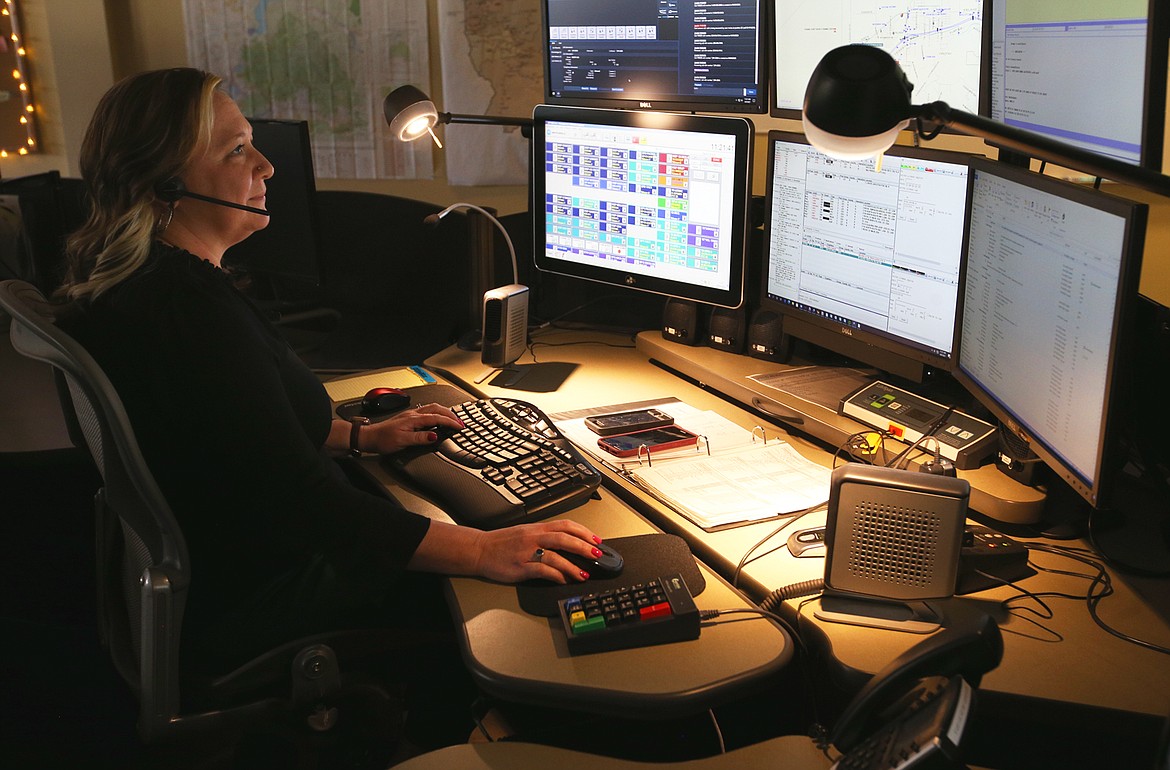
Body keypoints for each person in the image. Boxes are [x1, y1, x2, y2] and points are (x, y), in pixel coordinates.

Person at [55, 68, 604, 740]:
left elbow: (238, 431)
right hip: (254, 591)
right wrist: (483, 551)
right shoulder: (188, 314)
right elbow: (307, 507)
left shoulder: (161, 285)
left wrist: (359, 439)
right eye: (234, 152)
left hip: (211, 564)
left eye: (251, 143)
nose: (264, 167)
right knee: (501, 597)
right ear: (166, 187)